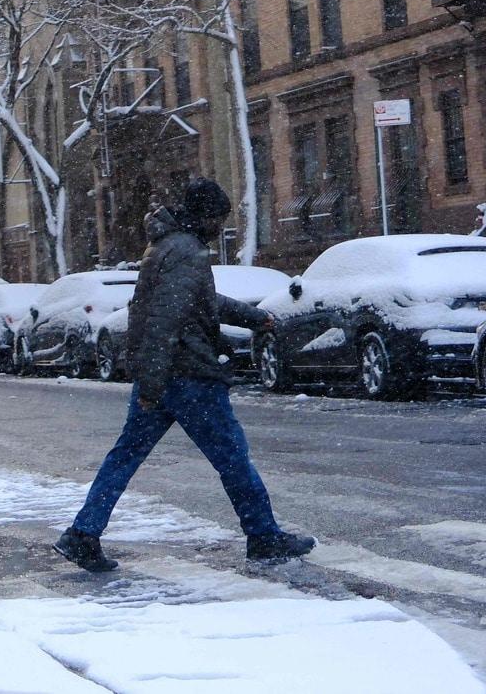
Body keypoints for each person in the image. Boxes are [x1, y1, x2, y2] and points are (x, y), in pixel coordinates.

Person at [54, 177, 316, 572]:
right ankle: (263, 536)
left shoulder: (168, 245)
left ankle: (83, 534)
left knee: (125, 457)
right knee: (232, 457)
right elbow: (163, 319)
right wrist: (154, 385)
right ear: (206, 215)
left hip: (163, 375)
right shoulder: (186, 251)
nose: (222, 226)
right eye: (220, 217)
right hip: (187, 376)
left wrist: (254, 317)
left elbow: (199, 300)